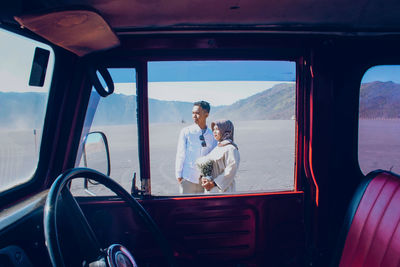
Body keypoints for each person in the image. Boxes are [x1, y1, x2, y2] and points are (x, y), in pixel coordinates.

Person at [175, 101, 217, 194]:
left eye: (197, 113)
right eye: (193, 113)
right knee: (186, 207)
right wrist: (179, 175)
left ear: (206, 114)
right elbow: (180, 153)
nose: (194, 116)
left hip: (205, 181)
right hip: (188, 178)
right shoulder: (186, 132)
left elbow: (214, 156)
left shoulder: (212, 134)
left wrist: (210, 177)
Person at [199, 120, 240, 193]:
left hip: (224, 190)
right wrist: (205, 178)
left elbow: (231, 170)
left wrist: (214, 183)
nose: (214, 132)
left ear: (226, 130)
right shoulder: (217, 148)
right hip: (211, 189)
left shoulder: (231, 149)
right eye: (213, 129)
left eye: (217, 129)